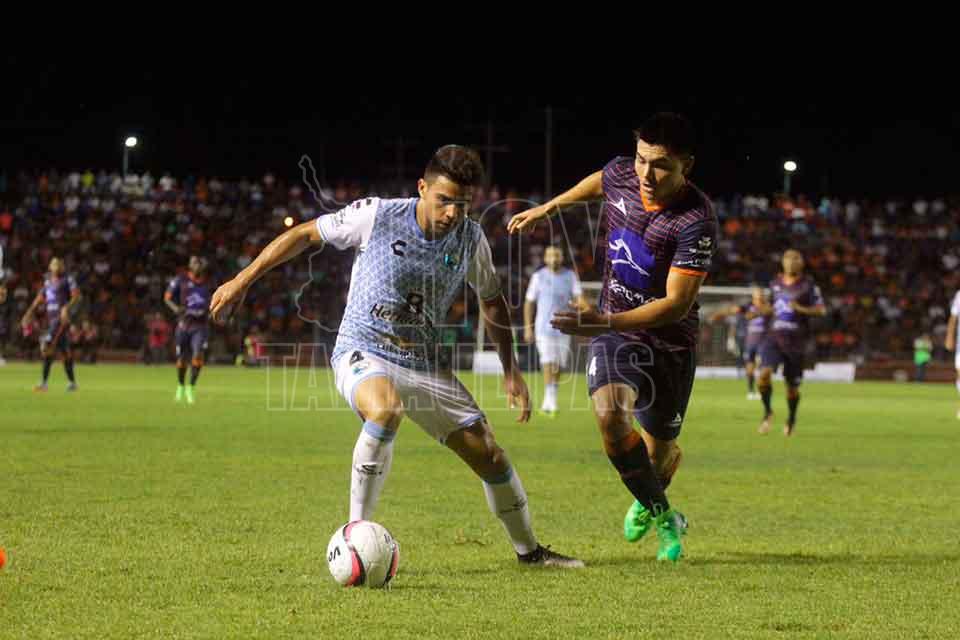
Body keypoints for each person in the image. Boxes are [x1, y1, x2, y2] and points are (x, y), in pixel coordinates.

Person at [210, 145, 582, 568]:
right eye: (444, 200)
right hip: (363, 348)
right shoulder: (378, 215)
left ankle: (530, 553)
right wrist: (242, 280)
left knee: (490, 454)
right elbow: (304, 234)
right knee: (385, 409)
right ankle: (355, 536)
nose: (452, 214)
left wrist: (511, 371)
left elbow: (492, 301)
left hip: (423, 362)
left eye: (463, 204)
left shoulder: (471, 239)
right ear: (422, 188)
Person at [508, 113, 716, 562]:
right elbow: (600, 181)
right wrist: (550, 207)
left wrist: (603, 322)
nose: (646, 174)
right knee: (610, 417)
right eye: (641, 159)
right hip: (616, 331)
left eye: (660, 166)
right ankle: (665, 517)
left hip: (669, 342)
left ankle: (653, 487)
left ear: (687, 166)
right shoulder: (623, 173)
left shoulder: (695, 220)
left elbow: (676, 304)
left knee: (657, 454)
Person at [757, 250, 826, 436]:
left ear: (802, 263)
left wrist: (800, 308)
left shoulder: (809, 285)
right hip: (773, 338)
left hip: (796, 342)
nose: (792, 262)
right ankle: (767, 412)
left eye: (796, 258)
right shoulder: (774, 283)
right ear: (783, 261)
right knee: (763, 375)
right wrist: (763, 309)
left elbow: (821, 310)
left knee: (792, 388)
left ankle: (791, 419)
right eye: (788, 258)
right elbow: (770, 307)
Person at [523, 246, 585, 416]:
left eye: (557, 255)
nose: (554, 258)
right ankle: (549, 399)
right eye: (551, 255)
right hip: (543, 328)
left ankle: (552, 395)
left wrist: (582, 310)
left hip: (564, 328)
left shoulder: (570, 276)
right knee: (548, 361)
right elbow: (529, 302)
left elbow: (579, 297)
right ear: (545, 258)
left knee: (559, 365)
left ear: (562, 258)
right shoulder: (538, 277)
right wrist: (528, 327)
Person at [21, 257, 82, 391]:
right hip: (51, 319)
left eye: (59, 264)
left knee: (47, 345)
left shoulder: (68, 279)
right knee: (64, 352)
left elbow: (76, 296)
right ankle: (72, 383)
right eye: (54, 264)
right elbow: (39, 298)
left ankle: (44, 383)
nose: (57, 266)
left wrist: (66, 308)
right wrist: (28, 313)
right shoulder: (48, 281)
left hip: (61, 320)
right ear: (50, 267)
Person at [164, 256, 213, 404]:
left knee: (197, 356)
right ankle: (180, 385)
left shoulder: (208, 283)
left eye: (200, 264)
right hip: (184, 325)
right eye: (195, 263)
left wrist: (212, 313)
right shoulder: (181, 280)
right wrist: (176, 309)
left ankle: (191, 387)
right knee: (181, 359)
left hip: (200, 326)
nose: (198, 266)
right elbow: (167, 297)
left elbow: (214, 300)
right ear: (190, 266)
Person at [710, 286, 770, 399]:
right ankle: (751, 391)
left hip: (763, 341)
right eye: (757, 294)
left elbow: (767, 313)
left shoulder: (767, 306)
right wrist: (719, 314)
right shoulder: (747, 306)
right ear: (753, 296)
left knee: (761, 365)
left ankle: (761, 390)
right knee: (750, 367)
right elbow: (733, 310)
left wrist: (755, 314)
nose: (759, 296)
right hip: (750, 341)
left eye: (761, 294)